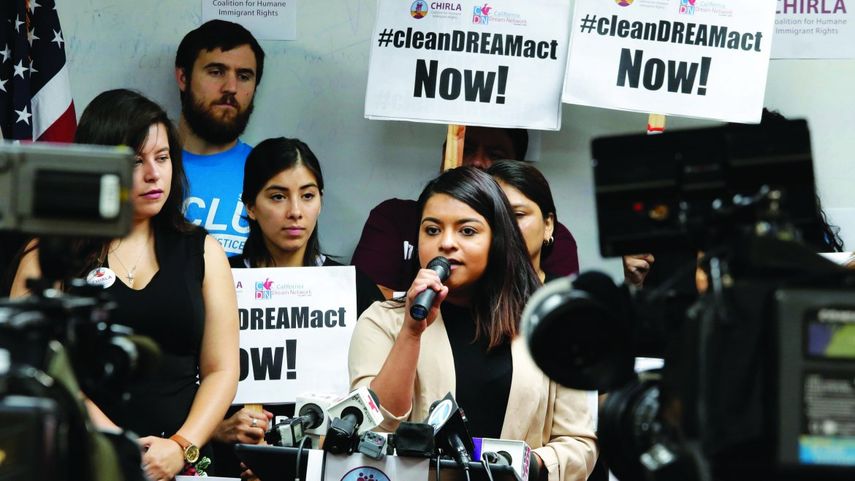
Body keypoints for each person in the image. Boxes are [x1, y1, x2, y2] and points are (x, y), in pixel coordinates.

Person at [11, 89, 240, 480]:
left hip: (181, 465)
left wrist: (181, 447)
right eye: (135, 161)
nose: (153, 173)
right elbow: (34, 365)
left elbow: (222, 370)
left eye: (162, 158)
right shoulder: (51, 251)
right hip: (81, 459)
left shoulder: (203, 250)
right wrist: (115, 444)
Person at [349, 167, 597, 481]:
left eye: (467, 231)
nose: (446, 243)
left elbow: (579, 444)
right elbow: (373, 429)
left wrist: (522, 466)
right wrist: (411, 333)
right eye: (432, 230)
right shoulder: (382, 321)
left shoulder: (551, 326)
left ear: (498, 239)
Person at [212, 137, 385, 477]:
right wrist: (218, 428)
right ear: (250, 206)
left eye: (307, 195)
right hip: (228, 465)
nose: (295, 211)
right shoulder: (217, 280)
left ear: (320, 201)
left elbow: (375, 399)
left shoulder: (354, 288)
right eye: (278, 196)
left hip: (325, 467)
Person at [351, 126, 579, 297]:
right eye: (432, 230)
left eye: (495, 154)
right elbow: (361, 297)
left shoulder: (543, 237)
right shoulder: (394, 217)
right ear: (444, 154)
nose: (478, 162)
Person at [176, 20, 265, 256]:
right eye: (216, 72)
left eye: (244, 76)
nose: (231, 87)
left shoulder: (269, 172)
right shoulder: (146, 170)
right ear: (183, 77)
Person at [486, 160, 560, 282]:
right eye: (493, 215)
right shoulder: (459, 291)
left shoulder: (563, 292)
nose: (505, 225)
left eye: (518, 214)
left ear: (548, 225)